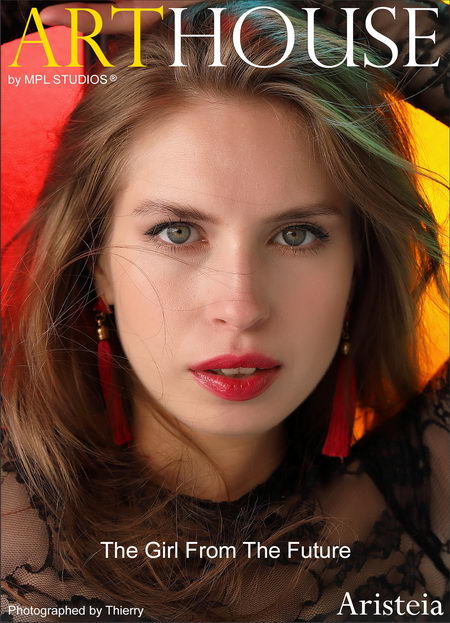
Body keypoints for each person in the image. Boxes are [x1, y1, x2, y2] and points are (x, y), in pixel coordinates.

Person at [2, 1, 449, 622]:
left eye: (296, 235)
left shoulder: (428, 498)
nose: (240, 309)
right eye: (177, 232)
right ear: (96, 261)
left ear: (357, 267)